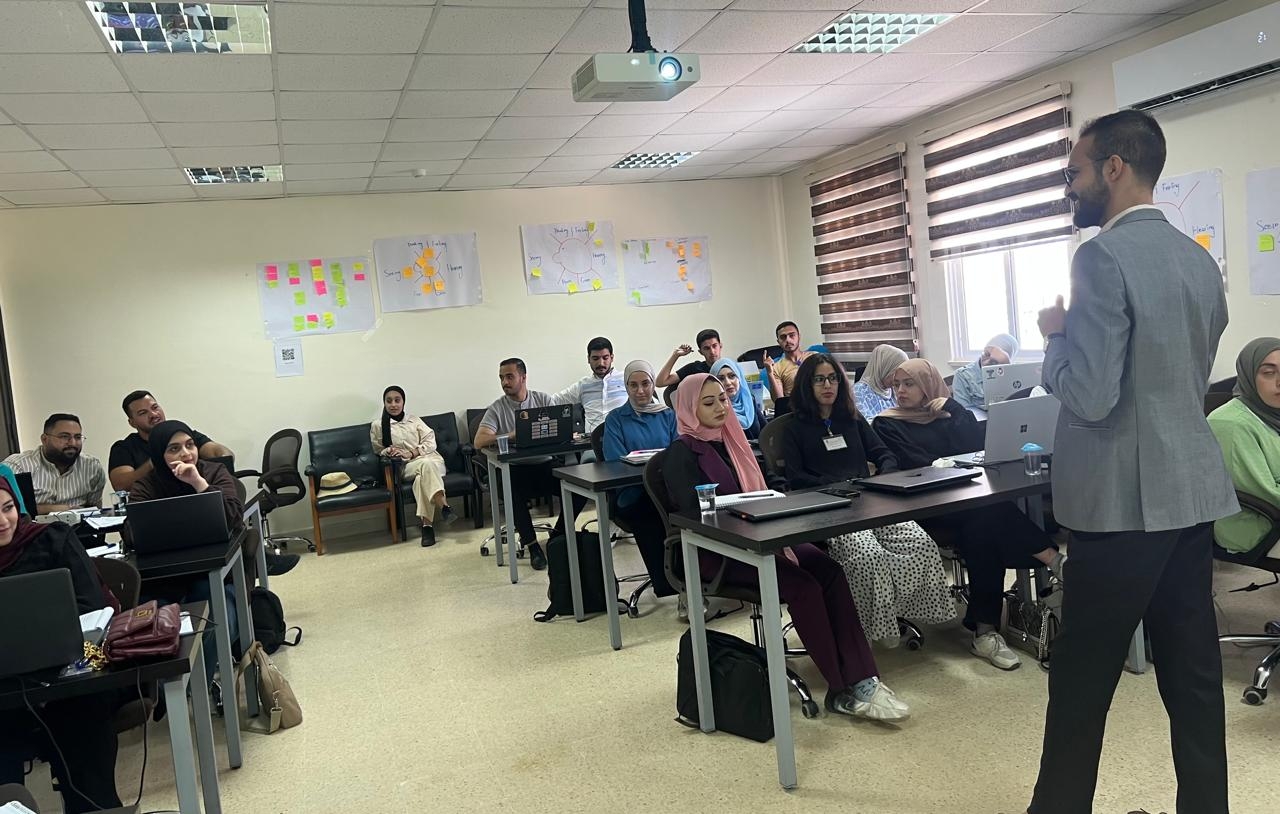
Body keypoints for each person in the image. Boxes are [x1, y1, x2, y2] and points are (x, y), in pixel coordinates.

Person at [1028, 109, 1238, 814]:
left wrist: (1055, 339)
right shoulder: (1198, 258)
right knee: (1194, 672)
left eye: (1075, 172)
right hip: (1190, 491)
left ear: (1114, 167)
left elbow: (1092, 396)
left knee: (1082, 678)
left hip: (1122, 501)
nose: (1071, 187)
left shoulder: (1100, 257)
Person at [662, 373, 909, 721]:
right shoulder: (682, 453)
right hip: (721, 550)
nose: (720, 407)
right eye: (709, 402)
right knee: (804, 586)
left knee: (829, 570)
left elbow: (765, 486)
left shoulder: (734, 439)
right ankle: (840, 688)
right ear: (689, 408)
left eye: (723, 399)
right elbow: (693, 514)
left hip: (766, 535)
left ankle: (863, 676)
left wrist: (777, 499)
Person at [873, 359, 1061, 670]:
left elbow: (977, 446)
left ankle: (985, 631)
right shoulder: (886, 423)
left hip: (968, 502)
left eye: (909, 384)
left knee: (982, 527)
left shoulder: (947, 414)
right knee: (990, 512)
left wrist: (954, 408)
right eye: (897, 385)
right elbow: (917, 462)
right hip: (928, 506)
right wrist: (952, 463)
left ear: (929, 385)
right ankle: (1054, 562)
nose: (900, 391)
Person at [780, 354, 955, 644]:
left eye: (833, 378)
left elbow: (883, 453)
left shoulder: (852, 419)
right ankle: (879, 625)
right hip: (832, 508)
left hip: (871, 500)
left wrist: (884, 476)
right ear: (806, 385)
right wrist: (835, 488)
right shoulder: (794, 428)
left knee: (920, 543)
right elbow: (796, 479)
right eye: (819, 379)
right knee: (869, 556)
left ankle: (902, 609)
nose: (828, 385)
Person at [0, 479, 125, 814]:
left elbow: (92, 607)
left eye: (7, 508)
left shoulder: (53, 540)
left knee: (82, 732)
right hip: (7, 691)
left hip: (73, 678)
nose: (2, 521)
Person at [474, 358, 582, 571]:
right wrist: (511, 435)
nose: (504, 382)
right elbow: (479, 441)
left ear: (523, 377)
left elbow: (561, 428)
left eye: (509, 377)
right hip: (513, 470)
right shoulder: (497, 408)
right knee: (512, 493)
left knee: (579, 490)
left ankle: (558, 535)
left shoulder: (543, 399)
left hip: (545, 465)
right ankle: (533, 547)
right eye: (501, 378)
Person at [601, 361, 679, 611]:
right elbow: (614, 460)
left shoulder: (668, 415)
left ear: (653, 383)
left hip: (665, 488)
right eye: (633, 385)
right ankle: (667, 584)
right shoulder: (616, 419)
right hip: (633, 492)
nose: (640, 390)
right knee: (649, 511)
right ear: (626, 388)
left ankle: (693, 580)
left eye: (645, 383)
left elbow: (678, 451)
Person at [1209, 338, 1280, 555]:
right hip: (1257, 528)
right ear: (1248, 375)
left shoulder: (1272, 415)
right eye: (1269, 373)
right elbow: (1266, 494)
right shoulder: (1231, 424)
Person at [371, 386, 456, 548]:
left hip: (432, 461)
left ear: (403, 402)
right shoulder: (378, 425)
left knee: (421, 479)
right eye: (389, 401)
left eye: (397, 400)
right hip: (406, 466)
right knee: (424, 467)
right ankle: (444, 506)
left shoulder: (414, 420)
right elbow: (378, 449)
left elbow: (431, 442)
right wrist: (389, 451)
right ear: (384, 403)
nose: (393, 404)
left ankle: (427, 527)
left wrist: (413, 452)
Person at [109, 390, 234, 493]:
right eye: (143, 413)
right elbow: (121, 485)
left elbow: (224, 456)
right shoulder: (124, 448)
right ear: (132, 422)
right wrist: (157, 461)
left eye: (155, 407)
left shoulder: (184, 436)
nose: (153, 414)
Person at [4, 413, 105, 514]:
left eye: (78, 437)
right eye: (64, 437)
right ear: (44, 439)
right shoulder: (17, 466)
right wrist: (55, 509)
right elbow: (6, 510)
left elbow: (95, 510)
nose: (73, 443)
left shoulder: (92, 467)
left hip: (80, 523)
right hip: (35, 524)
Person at [553, 337, 627, 436]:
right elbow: (554, 400)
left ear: (612, 358)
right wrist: (531, 399)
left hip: (623, 438)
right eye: (595, 358)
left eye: (605, 358)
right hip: (593, 441)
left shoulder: (626, 379)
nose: (601, 363)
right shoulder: (583, 385)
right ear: (588, 359)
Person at [950, 333, 1020, 412]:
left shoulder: (1013, 373)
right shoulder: (963, 375)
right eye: (986, 354)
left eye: (994, 362)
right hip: (977, 419)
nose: (986, 362)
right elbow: (962, 413)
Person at [710, 357, 767, 440]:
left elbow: (767, 430)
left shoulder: (749, 399)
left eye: (732, 376)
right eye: (721, 379)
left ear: (739, 378)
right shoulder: (715, 409)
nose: (728, 383)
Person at [853, 344, 908, 419]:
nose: (898, 378)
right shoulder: (858, 391)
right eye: (895, 372)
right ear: (885, 368)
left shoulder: (893, 390)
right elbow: (865, 423)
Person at [655, 328, 723, 388]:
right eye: (706, 348)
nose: (712, 351)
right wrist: (675, 355)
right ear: (700, 352)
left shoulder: (728, 367)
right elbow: (660, 382)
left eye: (714, 346)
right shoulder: (695, 368)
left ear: (720, 346)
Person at [763, 321, 814, 399]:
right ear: (778, 342)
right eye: (783, 337)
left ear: (799, 337)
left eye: (792, 335)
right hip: (795, 405)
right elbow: (779, 400)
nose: (788, 340)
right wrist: (770, 373)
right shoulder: (777, 368)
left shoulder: (814, 357)